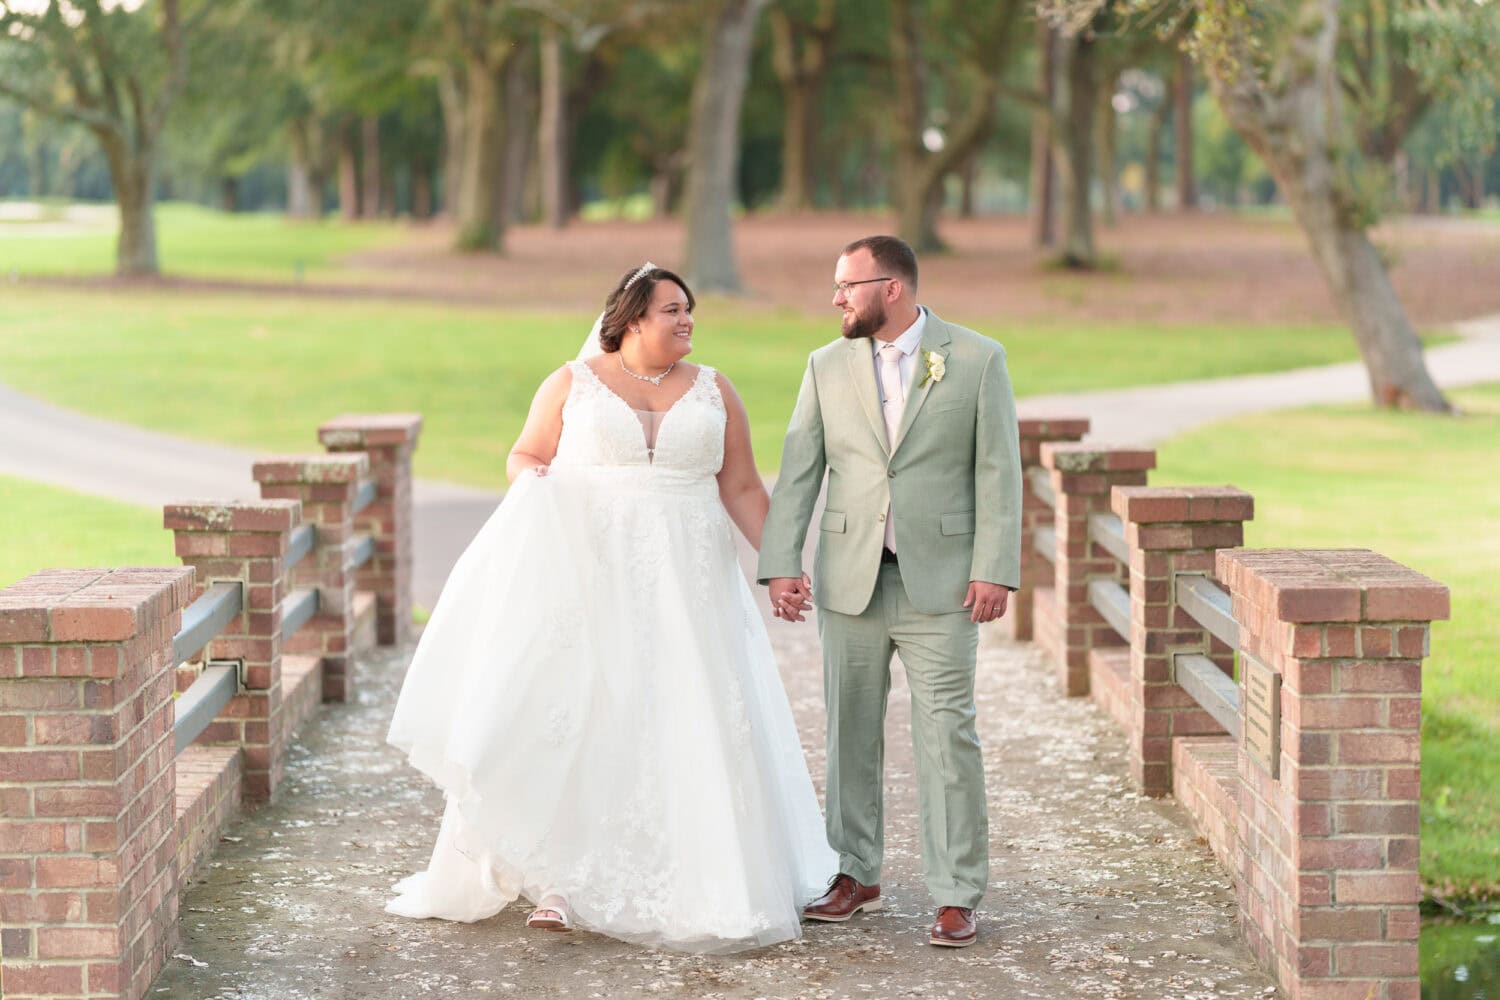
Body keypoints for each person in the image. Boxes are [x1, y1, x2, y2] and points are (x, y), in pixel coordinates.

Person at [385, 263, 836, 953]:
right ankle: (560, 882)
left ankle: (702, 872)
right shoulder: (573, 383)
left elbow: (742, 486)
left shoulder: (715, 390)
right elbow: (525, 453)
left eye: (689, 310)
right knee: (588, 713)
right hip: (592, 574)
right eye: (671, 310)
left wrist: (780, 567)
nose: (686, 321)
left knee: (685, 714)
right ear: (631, 320)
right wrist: (532, 478)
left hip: (690, 584)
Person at [758, 235, 1022, 949]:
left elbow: (1000, 469)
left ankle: (957, 892)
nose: (837, 298)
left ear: (892, 288)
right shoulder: (824, 365)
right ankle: (855, 875)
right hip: (850, 579)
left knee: (948, 737)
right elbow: (800, 467)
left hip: (944, 584)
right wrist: (781, 562)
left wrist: (996, 565)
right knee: (849, 732)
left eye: (848, 285)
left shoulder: (976, 358)